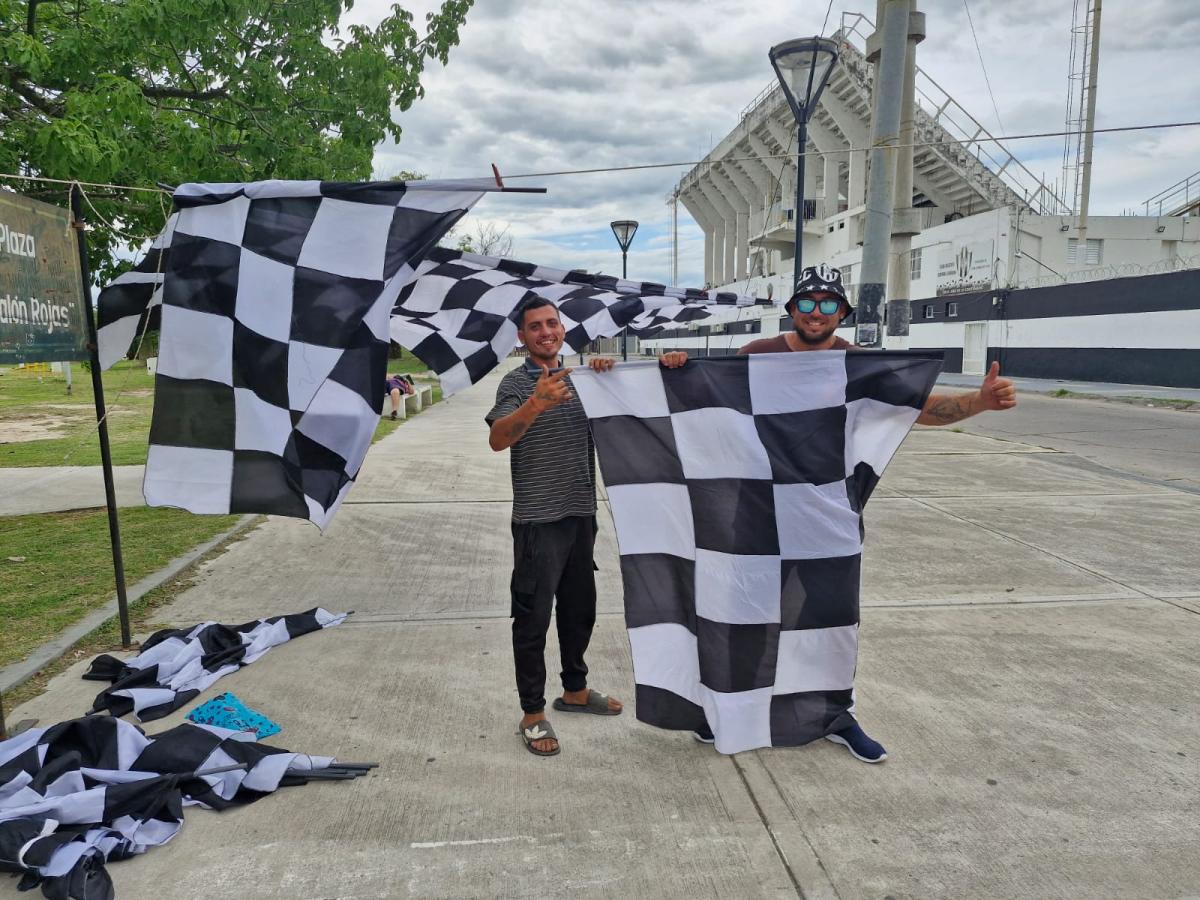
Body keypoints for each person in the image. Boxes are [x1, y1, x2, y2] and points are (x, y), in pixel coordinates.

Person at [661, 263, 1018, 763]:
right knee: (745, 614)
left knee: (829, 620)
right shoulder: (755, 356)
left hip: (827, 514)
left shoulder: (858, 365)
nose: (816, 312)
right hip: (756, 511)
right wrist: (676, 366)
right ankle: (725, 706)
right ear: (792, 310)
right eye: (806, 303)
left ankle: (834, 713)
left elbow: (920, 410)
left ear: (842, 312)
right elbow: (698, 400)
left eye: (828, 304)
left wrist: (979, 401)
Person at [486, 297, 623, 757]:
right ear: (522, 338)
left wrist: (608, 371)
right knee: (532, 619)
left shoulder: (583, 378)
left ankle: (575, 692)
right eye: (534, 327)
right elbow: (497, 439)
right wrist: (535, 405)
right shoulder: (516, 383)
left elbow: (630, 401)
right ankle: (531, 713)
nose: (546, 332)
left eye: (552, 323)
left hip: (580, 515)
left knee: (579, 610)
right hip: (537, 523)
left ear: (563, 329)